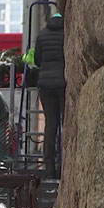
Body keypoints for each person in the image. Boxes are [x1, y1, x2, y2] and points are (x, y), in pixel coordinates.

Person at [33, 13, 66, 179]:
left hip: (45, 84)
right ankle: (65, 165)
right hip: (62, 83)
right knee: (66, 125)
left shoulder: (42, 34)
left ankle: (49, 169)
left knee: (50, 126)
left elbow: (37, 59)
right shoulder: (67, 33)